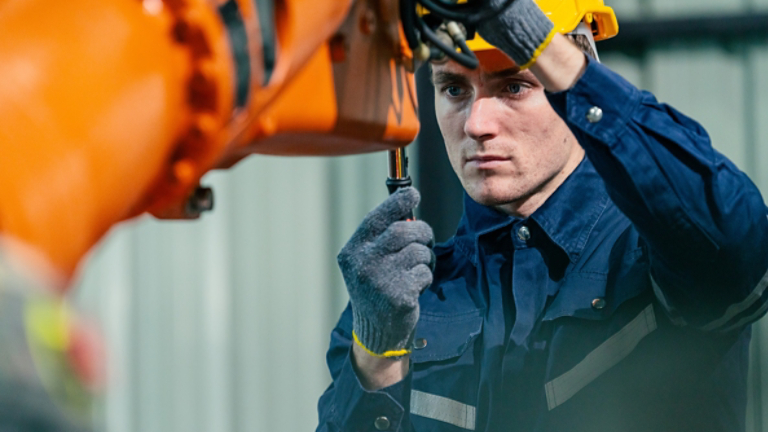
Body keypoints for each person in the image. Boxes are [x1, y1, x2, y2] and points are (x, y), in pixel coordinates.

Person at [316, 0, 768, 431]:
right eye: (454, 89)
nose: (475, 124)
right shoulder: (400, 302)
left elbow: (738, 244)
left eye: (514, 86)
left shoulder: (656, 256)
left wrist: (547, 48)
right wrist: (376, 361)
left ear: (567, 83)